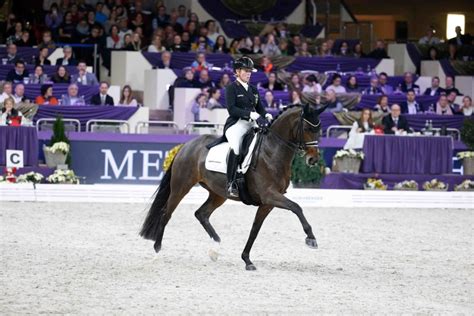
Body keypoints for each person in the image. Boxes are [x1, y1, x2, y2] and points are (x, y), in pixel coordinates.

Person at [224, 56, 271, 197]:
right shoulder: (231, 88)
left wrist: (266, 115)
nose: (249, 73)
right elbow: (232, 109)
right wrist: (250, 114)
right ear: (237, 71)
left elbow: (260, 108)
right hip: (236, 124)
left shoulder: (253, 89)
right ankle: (231, 182)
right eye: (246, 70)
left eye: (250, 71)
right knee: (236, 147)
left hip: (252, 123)